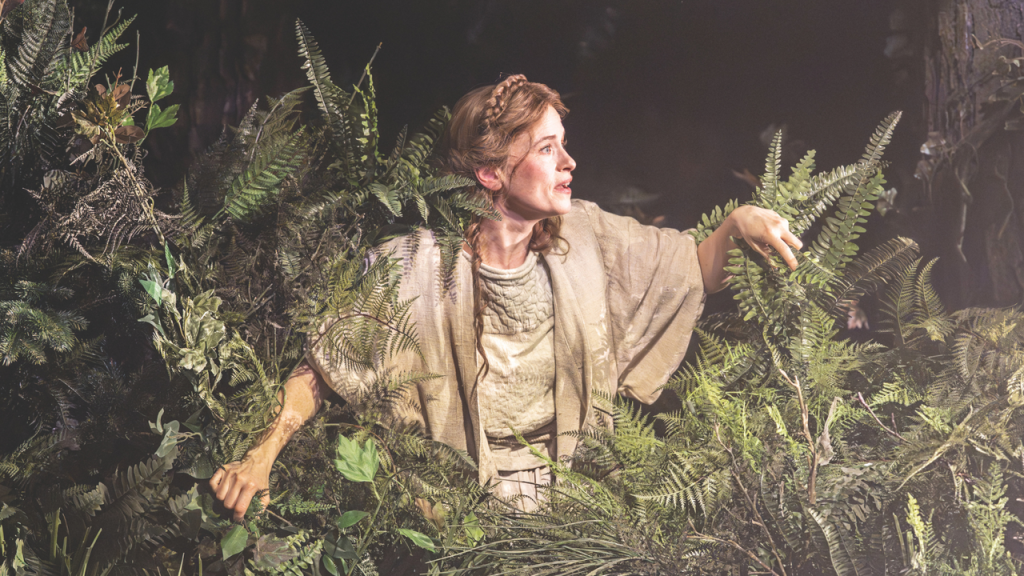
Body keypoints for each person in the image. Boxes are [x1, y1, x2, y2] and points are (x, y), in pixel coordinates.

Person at [210, 74, 802, 519]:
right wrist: (261, 455)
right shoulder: (413, 267)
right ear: (491, 173)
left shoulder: (586, 238)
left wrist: (738, 223)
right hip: (450, 511)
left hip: (575, 505)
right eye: (546, 149)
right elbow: (322, 368)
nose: (569, 162)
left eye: (563, 144)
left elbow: (691, 270)